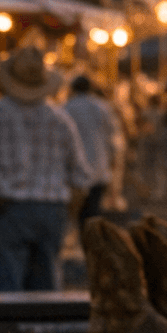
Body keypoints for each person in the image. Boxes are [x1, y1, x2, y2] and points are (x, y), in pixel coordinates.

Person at [0, 46, 95, 291]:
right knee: (44, 296)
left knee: (2, 298)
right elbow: (81, 180)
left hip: (7, 210)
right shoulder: (61, 120)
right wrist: (66, 216)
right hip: (51, 210)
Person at [63, 75, 125, 228]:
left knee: (77, 211)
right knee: (93, 209)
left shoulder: (67, 108)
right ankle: (90, 240)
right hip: (99, 166)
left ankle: (80, 238)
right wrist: (114, 160)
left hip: (75, 170)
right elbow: (114, 137)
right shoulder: (102, 107)